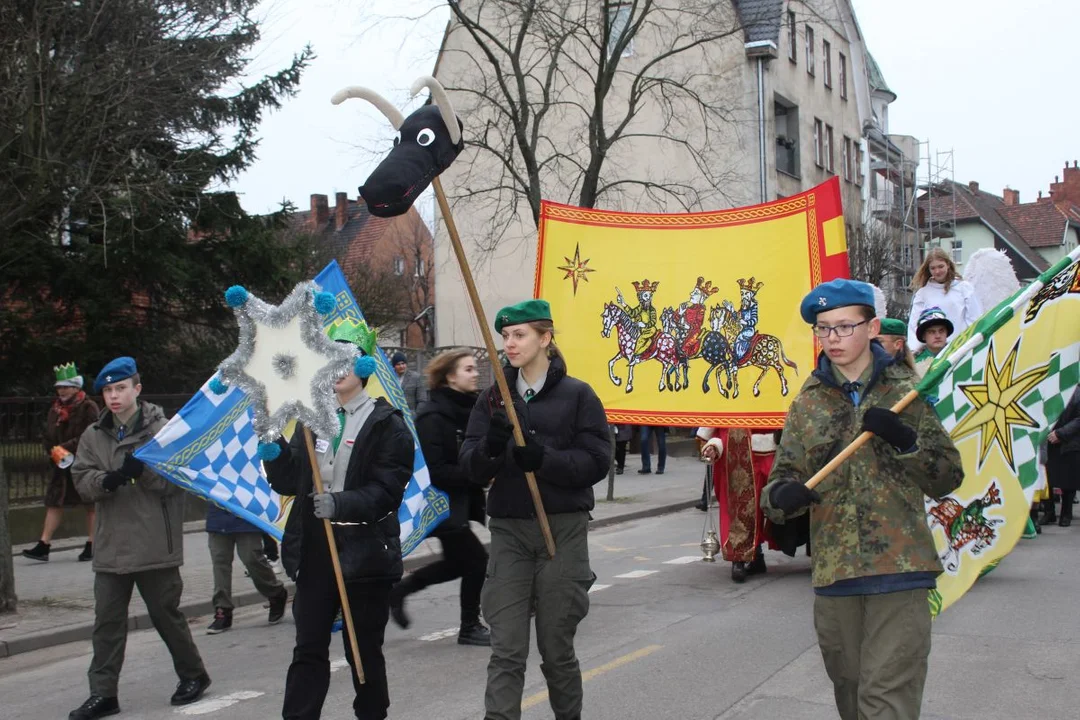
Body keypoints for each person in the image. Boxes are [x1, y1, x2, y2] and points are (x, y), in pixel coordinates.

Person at [761, 279, 964, 720]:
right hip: (836, 573)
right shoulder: (807, 402)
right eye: (823, 329)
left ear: (872, 328)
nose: (832, 338)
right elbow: (780, 485)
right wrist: (782, 496)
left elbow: (948, 475)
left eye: (844, 327)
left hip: (901, 569)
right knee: (852, 698)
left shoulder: (908, 392)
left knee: (886, 700)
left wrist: (906, 442)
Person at [460, 299, 609, 720]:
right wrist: (490, 447)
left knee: (556, 648)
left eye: (519, 335)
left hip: (561, 532)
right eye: (505, 336)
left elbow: (597, 461)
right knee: (506, 649)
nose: (509, 343)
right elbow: (469, 465)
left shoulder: (578, 395)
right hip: (509, 531)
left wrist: (545, 460)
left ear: (545, 338)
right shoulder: (493, 399)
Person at [263, 320, 413, 720]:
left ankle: (371, 715)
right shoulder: (314, 420)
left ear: (364, 366)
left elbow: (387, 492)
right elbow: (290, 479)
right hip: (316, 552)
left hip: (364, 555)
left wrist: (340, 504)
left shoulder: (388, 425)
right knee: (308, 647)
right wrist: (274, 449)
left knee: (362, 650)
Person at [69, 357, 211, 719]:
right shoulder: (93, 434)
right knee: (106, 624)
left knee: (166, 615)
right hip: (111, 545)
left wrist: (142, 472)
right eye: (107, 390)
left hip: (154, 542)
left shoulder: (163, 431)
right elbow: (82, 480)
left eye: (120, 389)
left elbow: (174, 483)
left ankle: (193, 675)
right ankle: (103, 694)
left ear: (137, 389)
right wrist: (108, 481)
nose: (113, 397)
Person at [389, 349, 491, 646]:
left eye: (475, 368)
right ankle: (469, 626)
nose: (475, 373)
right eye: (468, 369)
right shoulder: (433, 416)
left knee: (460, 563)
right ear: (450, 376)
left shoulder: (469, 408)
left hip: (459, 501)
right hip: (440, 505)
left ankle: (401, 591)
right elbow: (435, 470)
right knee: (476, 562)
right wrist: (480, 473)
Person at [23, 362, 99, 562]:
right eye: (59, 387)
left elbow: (90, 434)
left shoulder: (88, 406)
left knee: (90, 503)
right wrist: (51, 449)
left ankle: (93, 544)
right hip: (61, 462)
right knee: (54, 503)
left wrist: (66, 446)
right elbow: (48, 433)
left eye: (66, 387)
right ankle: (44, 544)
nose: (62, 391)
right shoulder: (55, 409)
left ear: (76, 387)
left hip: (84, 461)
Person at [697, 427, 777, 582]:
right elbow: (714, 425)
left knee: (758, 509)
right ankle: (739, 559)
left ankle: (756, 556)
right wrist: (712, 446)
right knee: (736, 509)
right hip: (731, 452)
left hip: (762, 451)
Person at [204, 504, 288, 634]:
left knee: (251, 558)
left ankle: (275, 593)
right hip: (218, 515)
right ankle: (222, 609)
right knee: (220, 562)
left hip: (245, 512)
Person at [908, 247, 981, 352]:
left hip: (960, 350)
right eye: (933, 268)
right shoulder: (922, 293)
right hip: (934, 353)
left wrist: (970, 345)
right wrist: (915, 351)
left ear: (947, 264)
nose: (937, 271)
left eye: (940, 266)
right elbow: (914, 325)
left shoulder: (964, 288)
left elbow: (974, 319)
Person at [1043, 386, 1080, 527]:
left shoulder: (1076, 392)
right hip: (1048, 441)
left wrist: (1060, 434)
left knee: (1068, 480)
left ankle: (1066, 514)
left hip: (1069, 442)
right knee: (1048, 478)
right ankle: (1049, 512)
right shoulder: (1049, 388)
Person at [913, 307, 953, 377]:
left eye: (941, 331)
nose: (938, 336)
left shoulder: (957, 354)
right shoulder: (915, 362)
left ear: (946, 333)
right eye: (931, 332)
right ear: (923, 336)